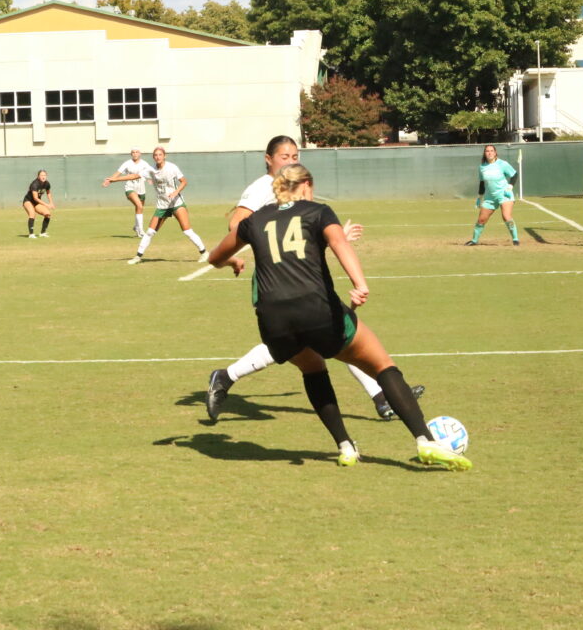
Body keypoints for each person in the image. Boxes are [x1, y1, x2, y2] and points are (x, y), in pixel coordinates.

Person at [208, 163, 472, 471]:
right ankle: (426, 441)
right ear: (306, 184)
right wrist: (359, 283)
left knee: (312, 369)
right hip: (315, 309)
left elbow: (215, 257)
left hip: (273, 319)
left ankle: (345, 447)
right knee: (381, 364)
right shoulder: (318, 211)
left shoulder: (255, 220)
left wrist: (233, 262)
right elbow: (338, 243)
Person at [205, 135, 424, 422]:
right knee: (320, 335)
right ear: (268, 159)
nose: (292, 160)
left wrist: (335, 238)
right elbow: (238, 224)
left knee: (337, 333)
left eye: (295, 155)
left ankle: (382, 396)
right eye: (285, 156)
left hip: (303, 272)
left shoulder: (295, 187)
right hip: (277, 277)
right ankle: (225, 376)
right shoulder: (261, 189)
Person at [126, 147, 207, 265]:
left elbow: (184, 181)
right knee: (149, 232)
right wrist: (114, 179)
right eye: (155, 155)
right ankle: (138, 257)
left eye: (160, 154)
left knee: (187, 231)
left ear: (164, 156)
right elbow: (134, 176)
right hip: (162, 206)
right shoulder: (150, 170)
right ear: (153, 157)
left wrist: (175, 192)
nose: (158, 157)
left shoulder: (172, 167)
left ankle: (204, 253)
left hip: (176, 203)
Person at [467, 144, 520, 246]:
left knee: (506, 216)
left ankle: (515, 239)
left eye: (492, 150)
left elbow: (514, 175)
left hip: (504, 195)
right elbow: (482, 183)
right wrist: (479, 197)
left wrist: (510, 187)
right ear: (484, 153)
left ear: (495, 153)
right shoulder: (482, 167)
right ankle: (474, 240)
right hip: (489, 197)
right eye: (487, 151)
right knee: (481, 220)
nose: (489, 152)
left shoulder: (502, 164)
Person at [102, 147, 151, 237]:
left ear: (140, 154)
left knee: (139, 208)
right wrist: (110, 180)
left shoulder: (144, 164)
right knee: (139, 205)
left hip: (141, 188)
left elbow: (150, 173)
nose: (135, 154)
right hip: (130, 187)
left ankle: (136, 226)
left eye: (137, 152)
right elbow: (118, 173)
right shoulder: (127, 163)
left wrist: (150, 179)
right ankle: (141, 231)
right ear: (131, 154)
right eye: (133, 152)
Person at [23, 169, 56, 238]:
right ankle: (31, 234)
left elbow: (48, 193)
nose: (43, 177)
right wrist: (47, 205)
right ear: (38, 176)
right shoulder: (34, 184)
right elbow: (35, 198)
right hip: (28, 201)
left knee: (47, 214)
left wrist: (51, 203)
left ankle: (43, 233)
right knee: (32, 214)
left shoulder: (47, 183)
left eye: (45, 175)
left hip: (36, 203)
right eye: (41, 175)